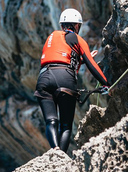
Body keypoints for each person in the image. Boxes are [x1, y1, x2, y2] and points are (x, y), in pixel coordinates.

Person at [34, 8, 110, 153]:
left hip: (44, 78)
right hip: (65, 79)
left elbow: (58, 58)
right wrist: (106, 84)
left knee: (51, 120)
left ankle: (54, 150)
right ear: (76, 25)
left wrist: (80, 60)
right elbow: (91, 65)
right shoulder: (77, 39)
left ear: (62, 25)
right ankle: (61, 156)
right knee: (66, 126)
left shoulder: (52, 37)